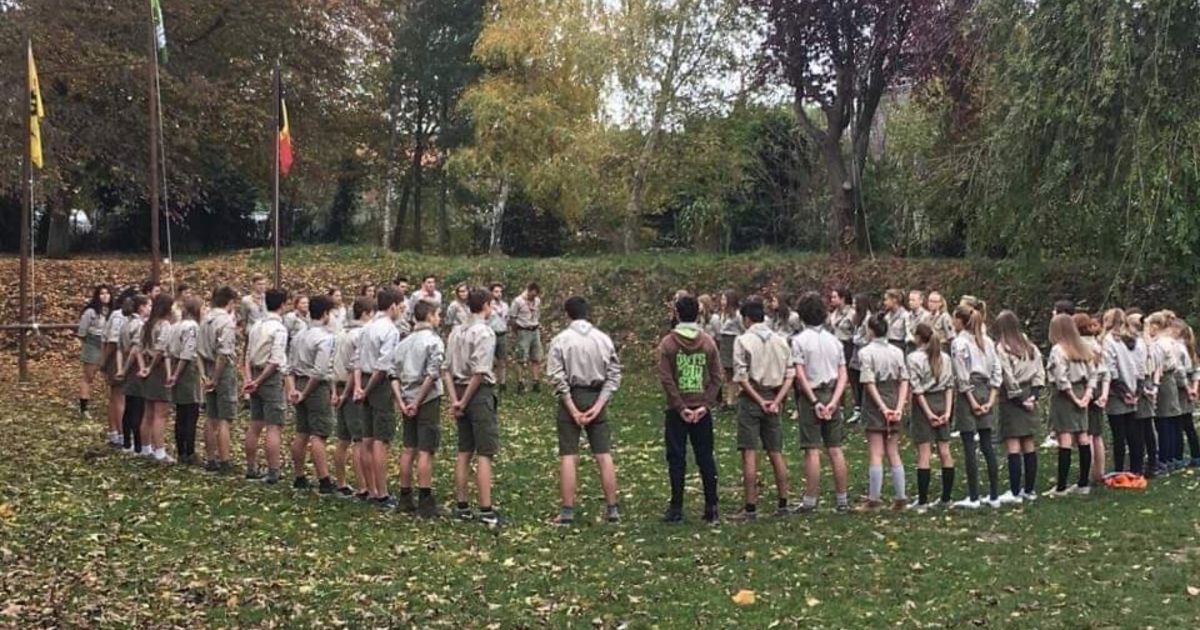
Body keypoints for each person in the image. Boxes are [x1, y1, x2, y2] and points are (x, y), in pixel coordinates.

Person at [546, 296, 623, 526]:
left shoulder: (561, 340)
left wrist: (571, 407)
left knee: (569, 454)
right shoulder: (603, 339)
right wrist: (599, 405)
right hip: (597, 395)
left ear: (567, 314)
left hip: (572, 394)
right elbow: (614, 374)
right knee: (603, 454)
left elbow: (556, 376)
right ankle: (612, 508)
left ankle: (567, 511)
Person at [657, 295, 722, 524]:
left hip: (677, 411)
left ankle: (676, 507)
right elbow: (717, 377)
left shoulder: (668, 343)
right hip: (702, 410)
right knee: (706, 457)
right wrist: (706, 404)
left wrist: (680, 406)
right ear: (698, 314)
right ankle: (712, 505)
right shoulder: (708, 342)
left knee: (676, 458)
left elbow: (666, 379)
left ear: (676, 313)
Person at [730, 297, 793, 521]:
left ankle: (750, 506)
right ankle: (783, 502)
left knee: (749, 451)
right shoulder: (781, 340)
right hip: (775, 396)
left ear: (747, 318)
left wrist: (757, 399)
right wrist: (777, 400)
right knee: (775, 451)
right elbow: (789, 374)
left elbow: (741, 376)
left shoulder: (743, 340)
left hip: (751, 398)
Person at [444, 287, 502, 526]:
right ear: (486, 305)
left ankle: (462, 504)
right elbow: (480, 372)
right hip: (476, 394)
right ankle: (486, 509)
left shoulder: (456, 332)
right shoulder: (485, 333)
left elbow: (445, 369)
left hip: (457, 389)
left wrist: (454, 400)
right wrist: (464, 401)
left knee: (464, 450)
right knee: (485, 452)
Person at [791, 291, 851, 513]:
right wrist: (835, 401)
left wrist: (814, 401)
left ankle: (810, 499)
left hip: (812, 395)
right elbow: (843, 374)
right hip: (832, 392)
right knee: (835, 448)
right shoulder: (834, 341)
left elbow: (800, 374)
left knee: (812, 449)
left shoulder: (798, 341)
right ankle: (842, 499)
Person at [391, 300, 447, 517]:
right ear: (431, 316)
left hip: (406, 397)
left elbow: (393, 374)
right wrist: (417, 401)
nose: (439, 319)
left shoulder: (403, 343)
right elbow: (432, 374)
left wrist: (402, 401)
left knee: (408, 447)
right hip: (427, 400)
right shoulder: (434, 341)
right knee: (426, 449)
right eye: (438, 315)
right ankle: (425, 498)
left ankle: (405, 495)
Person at [354, 288, 404, 509]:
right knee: (380, 440)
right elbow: (383, 366)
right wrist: (367, 390)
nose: (402, 310)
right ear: (392, 306)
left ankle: (371, 489)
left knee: (367, 438)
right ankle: (382, 492)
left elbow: (357, 360)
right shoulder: (390, 330)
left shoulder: (367, 328)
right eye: (401, 306)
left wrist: (358, 386)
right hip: (378, 384)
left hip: (363, 379)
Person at [856, 312, 910, 512]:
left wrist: (882, 408)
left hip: (875, 401)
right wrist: (899, 406)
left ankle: (875, 498)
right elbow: (904, 380)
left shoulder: (866, 353)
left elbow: (869, 383)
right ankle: (900, 496)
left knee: (876, 451)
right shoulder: (897, 352)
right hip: (894, 396)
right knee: (893, 451)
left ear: (871, 330)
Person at [950, 304, 1002, 508]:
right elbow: (997, 369)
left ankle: (974, 496)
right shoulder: (987, 342)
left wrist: (971, 400)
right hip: (986, 389)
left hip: (970, 391)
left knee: (969, 444)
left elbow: (962, 374)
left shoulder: (959, 343)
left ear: (960, 321)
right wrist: (991, 399)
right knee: (987, 443)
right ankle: (994, 494)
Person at [286, 294, 337, 495]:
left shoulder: (299, 336)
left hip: (298, 382)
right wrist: (305, 393)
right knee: (318, 434)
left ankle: (299, 476)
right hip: (314, 387)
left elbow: (289, 366)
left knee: (302, 431)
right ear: (325, 314)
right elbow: (319, 371)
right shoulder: (325, 338)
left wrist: (293, 390)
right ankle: (324, 479)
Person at [994, 310, 1045, 503]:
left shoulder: (1002, 347)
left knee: (1014, 443)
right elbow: (1039, 371)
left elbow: (1006, 375)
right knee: (1029, 443)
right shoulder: (1029, 345)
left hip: (1013, 398)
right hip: (1029, 393)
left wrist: (1018, 399)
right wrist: (1034, 396)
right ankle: (1029, 489)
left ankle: (1015, 491)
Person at [1046, 313, 1099, 496]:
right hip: (1082, 391)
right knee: (1083, 436)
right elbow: (1093, 374)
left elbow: (1061, 378)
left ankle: (1061, 486)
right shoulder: (1083, 347)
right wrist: (1087, 395)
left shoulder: (1058, 350)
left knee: (1065, 439)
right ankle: (1083, 483)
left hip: (1064, 397)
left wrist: (1074, 398)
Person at [906, 323, 955, 512]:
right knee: (944, 450)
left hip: (924, 404)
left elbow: (917, 390)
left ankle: (923, 500)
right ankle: (946, 497)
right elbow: (950, 385)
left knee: (924, 453)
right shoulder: (945, 358)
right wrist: (948, 412)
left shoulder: (914, 358)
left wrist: (928, 414)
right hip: (942, 401)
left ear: (919, 338)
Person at [243, 288, 290, 484]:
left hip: (254, 372)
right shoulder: (279, 329)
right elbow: (276, 360)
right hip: (268, 377)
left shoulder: (256, 325)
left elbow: (246, 355)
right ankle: (273, 469)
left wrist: (248, 379)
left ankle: (251, 466)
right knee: (273, 426)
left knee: (255, 423)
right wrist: (260, 381)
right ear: (282, 305)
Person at [332, 296, 373, 498]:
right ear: (366, 314)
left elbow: (333, 363)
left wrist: (334, 392)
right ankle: (362, 485)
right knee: (358, 439)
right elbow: (353, 367)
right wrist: (347, 393)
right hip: (351, 388)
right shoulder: (360, 335)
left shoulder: (340, 333)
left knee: (342, 439)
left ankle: (341, 482)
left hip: (338, 386)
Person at [199, 286, 239, 473]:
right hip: (221, 370)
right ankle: (224, 460)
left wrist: (203, 375)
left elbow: (197, 351)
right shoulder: (226, 322)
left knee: (211, 416)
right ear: (230, 303)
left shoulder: (204, 320)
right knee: (225, 417)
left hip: (206, 366)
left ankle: (210, 458)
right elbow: (224, 354)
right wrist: (215, 378)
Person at [1100, 309, 1142, 476]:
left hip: (1117, 391)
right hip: (1133, 387)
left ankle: (1119, 469)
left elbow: (1110, 367)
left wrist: (1122, 392)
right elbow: (1140, 366)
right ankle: (1136, 468)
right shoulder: (1134, 339)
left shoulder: (1109, 340)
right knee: (1133, 431)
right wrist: (1136, 391)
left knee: (1119, 433)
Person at [138, 294, 175, 464]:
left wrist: (143, 367)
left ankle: (146, 447)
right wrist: (151, 368)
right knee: (160, 414)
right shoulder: (164, 325)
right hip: (159, 370)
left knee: (148, 412)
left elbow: (139, 348)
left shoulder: (147, 325)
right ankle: (159, 451)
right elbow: (161, 350)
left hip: (148, 366)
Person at [167, 296, 203, 465]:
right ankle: (188, 451)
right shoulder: (192, 327)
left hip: (176, 364)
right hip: (187, 370)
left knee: (181, 412)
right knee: (190, 412)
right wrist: (177, 374)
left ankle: (181, 449)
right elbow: (187, 353)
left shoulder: (176, 326)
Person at [1076, 314, 1110, 484]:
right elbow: (1105, 373)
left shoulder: (1079, 346)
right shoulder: (1098, 344)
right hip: (1098, 390)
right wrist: (1104, 394)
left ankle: (1087, 472)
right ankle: (1099, 472)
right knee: (1097, 435)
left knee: (1087, 434)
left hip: (1086, 389)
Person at [1128, 312, 1161, 476]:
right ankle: (1152, 462)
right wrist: (1155, 385)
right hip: (1148, 381)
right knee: (1147, 424)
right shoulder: (1150, 343)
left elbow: (1138, 366)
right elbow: (1158, 366)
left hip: (1140, 383)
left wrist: (1142, 388)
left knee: (1141, 426)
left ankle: (1142, 464)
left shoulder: (1139, 344)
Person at [118, 295, 150, 455]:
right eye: (148, 305)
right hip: (136, 368)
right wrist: (125, 367)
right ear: (141, 307)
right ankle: (137, 445)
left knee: (129, 407)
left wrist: (122, 368)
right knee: (137, 407)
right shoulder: (139, 325)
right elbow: (134, 350)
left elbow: (120, 348)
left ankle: (126, 442)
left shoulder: (125, 324)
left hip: (129, 370)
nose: (150, 308)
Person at [101, 288, 133, 447]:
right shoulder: (119, 316)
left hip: (118, 357)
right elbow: (112, 342)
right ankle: (121, 433)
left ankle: (114, 432)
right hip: (118, 358)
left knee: (115, 397)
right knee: (119, 398)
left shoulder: (115, 315)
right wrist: (104, 361)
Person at [77, 284, 112, 420]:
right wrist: (90, 342)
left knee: (109, 376)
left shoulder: (113, 312)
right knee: (89, 377)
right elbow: (82, 332)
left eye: (107, 293)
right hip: (93, 343)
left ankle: (111, 404)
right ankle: (83, 407)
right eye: (102, 293)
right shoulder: (90, 312)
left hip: (108, 344)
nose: (105, 296)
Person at [509, 282, 544, 394]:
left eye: (535, 295)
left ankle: (536, 382)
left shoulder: (537, 301)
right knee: (521, 358)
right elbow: (512, 318)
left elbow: (537, 314)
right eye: (531, 295)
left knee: (536, 357)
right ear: (528, 291)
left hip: (535, 330)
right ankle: (520, 383)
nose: (533, 297)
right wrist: (517, 332)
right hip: (523, 331)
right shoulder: (518, 301)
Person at [712, 290, 744, 410]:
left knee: (736, 370)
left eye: (725, 299)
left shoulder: (738, 315)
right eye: (722, 299)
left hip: (734, 343)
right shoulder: (722, 314)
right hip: (725, 343)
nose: (722, 302)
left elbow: (743, 330)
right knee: (727, 372)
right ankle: (730, 397)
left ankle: (734, 398)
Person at [489, 283, 510, 392]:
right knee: (491, 360)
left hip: (502, 334)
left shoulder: (505, 306)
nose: (499, 294)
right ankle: (491, 381)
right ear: (491, 293)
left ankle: (502, 383)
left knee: (502, 360)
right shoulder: (488, 306)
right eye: (496, 291)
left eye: (500, 291)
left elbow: (507, 319)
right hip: (491, 334)